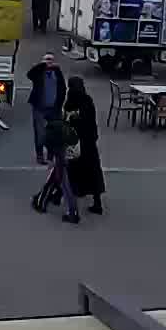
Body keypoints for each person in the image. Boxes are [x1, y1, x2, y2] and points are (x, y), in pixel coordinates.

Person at [63, 76, 105, 218]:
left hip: (77, 141)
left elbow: (67, 119)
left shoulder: (71, 101)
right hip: (90, 141)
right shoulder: (88, 100)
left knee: (75, 168)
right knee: (93, 171)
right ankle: (97, 201)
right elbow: (91, 120)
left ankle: (76, 193)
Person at [25, 53, 66, 165]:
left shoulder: (57, 72)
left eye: (51, 60)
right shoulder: (38, 72)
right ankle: (39, 155)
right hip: (39, 107)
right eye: (47, 59)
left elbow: (63, 88)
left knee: (54, 133)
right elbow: (29, 75)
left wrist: (59, 104)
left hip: (54, 108)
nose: (49, 62)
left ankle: (50, 155)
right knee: (40, 133)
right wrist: (41, 65)